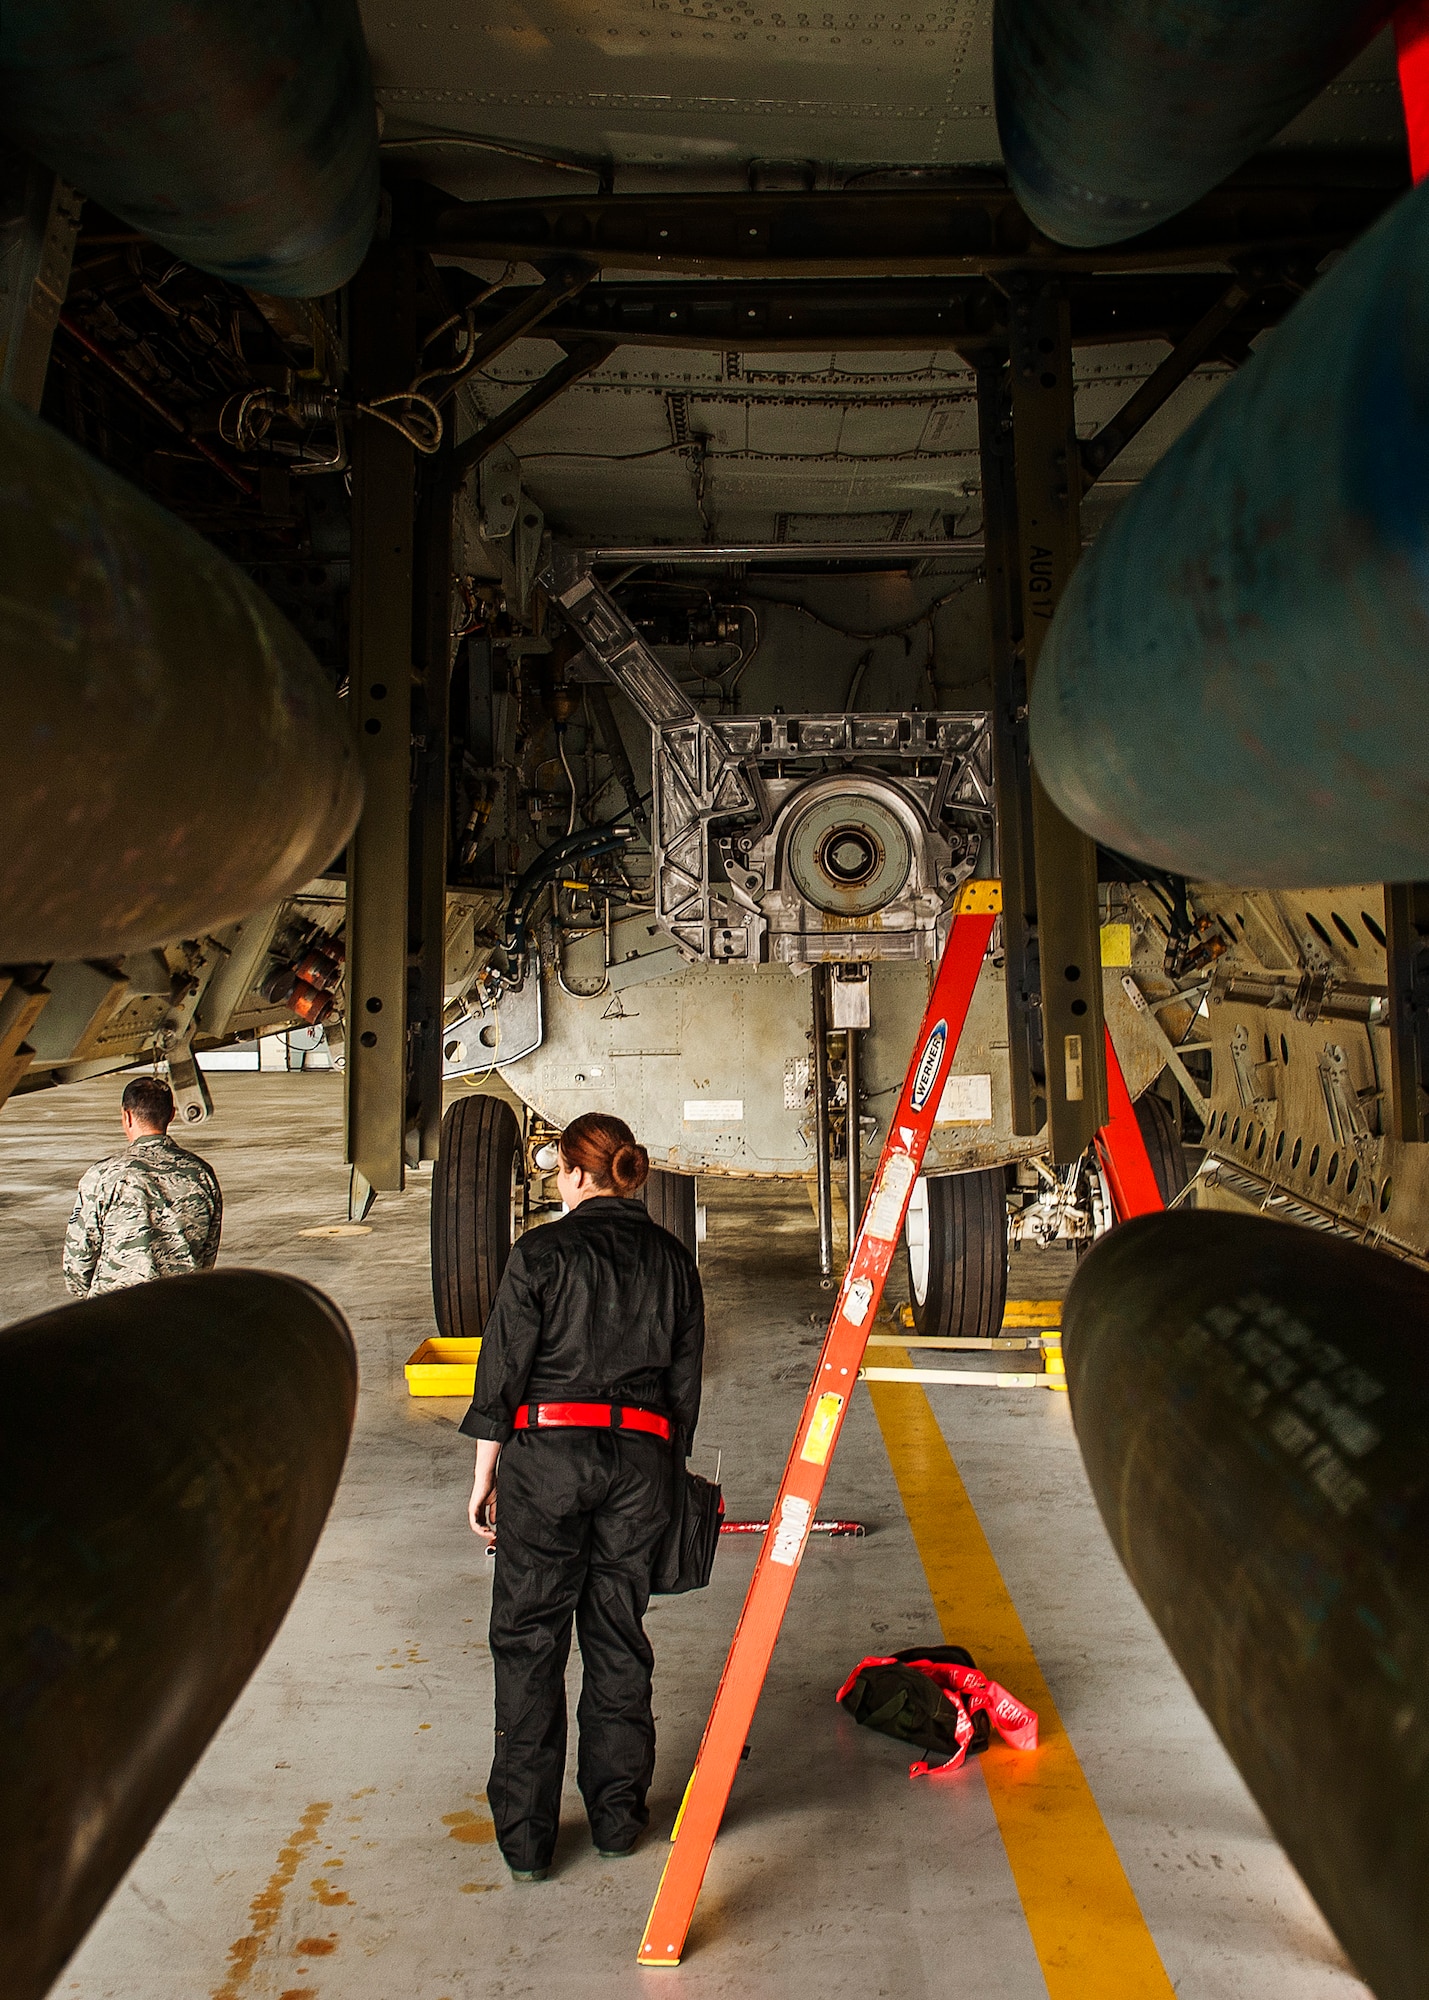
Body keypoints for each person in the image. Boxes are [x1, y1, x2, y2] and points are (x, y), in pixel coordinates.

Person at [460, 1111, 704, 1882]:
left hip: (548, 1462)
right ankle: (615, 1820)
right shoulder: (671, 1259)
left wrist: (484, 1479)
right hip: (640, 1465)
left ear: (569, 1172)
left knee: (528, 1644)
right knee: (616, 1637)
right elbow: (683, 1390)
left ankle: (527, 1843)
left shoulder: (538, 1252)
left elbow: (500, 1377)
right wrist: (660, 1476)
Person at [63, 1075, 223, 1299]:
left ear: (126, 1116)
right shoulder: (201, 1174)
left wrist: (92, 1300)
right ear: (171, 1115)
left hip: (116, 1310)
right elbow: (207, 1254)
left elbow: (78, 1260)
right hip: (181, 1307)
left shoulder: (102, 1176)